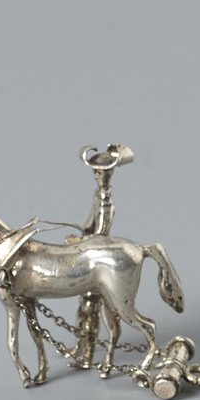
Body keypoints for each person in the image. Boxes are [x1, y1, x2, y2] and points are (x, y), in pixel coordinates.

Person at [71, 144, 134, 368]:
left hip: (97, 258)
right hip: (90, 251)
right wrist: (80, 234)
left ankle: (87, 353)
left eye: (101, 172)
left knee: (90, 305)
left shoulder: (106, 201)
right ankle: (79, 346)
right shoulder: (98, 195)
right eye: (96, 172)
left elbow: (101, 232)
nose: (98, 176)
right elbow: (90, 224)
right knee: (83, 304)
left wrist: (82, 241)